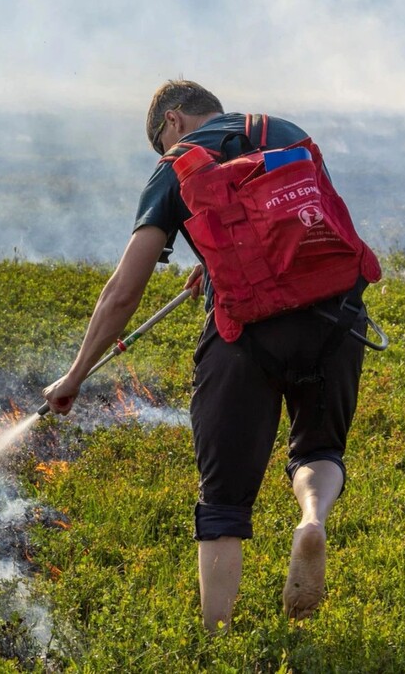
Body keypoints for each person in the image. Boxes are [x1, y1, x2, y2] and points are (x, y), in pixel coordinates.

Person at [42, 80, 369, 631]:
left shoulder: (178, 164)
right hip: (335, 317)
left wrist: (75, 375)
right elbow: (306, 232)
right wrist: (217, 259)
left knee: (223, 498)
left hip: (245, 336)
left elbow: (124, 289)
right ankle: (312, 521)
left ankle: (217, 642)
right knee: (319, 448)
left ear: (172, 121)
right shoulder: (283, 132)